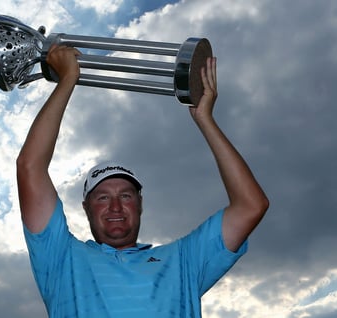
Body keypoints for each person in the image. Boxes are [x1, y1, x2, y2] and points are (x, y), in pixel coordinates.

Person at [16, 44, 269, 317]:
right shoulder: (61, 258)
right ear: (86, 207)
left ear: (140, 204)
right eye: (102, 198)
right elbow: (30, 167)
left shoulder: (183, 260)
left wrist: (204, 119)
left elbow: (251, 206)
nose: (115, 207)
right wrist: (67, 81)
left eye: (125, 196)